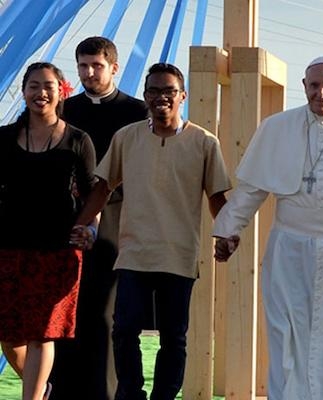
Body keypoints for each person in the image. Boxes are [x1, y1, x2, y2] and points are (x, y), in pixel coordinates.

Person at [212, 56, 323, 400]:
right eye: (314, 85)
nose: (320, 93)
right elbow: (251, 191)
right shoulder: (276, 128)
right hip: (289, 250)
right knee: (285, 332)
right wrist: (228, 230)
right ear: (304, 85)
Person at [71, 63, 231, 400]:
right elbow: (103, 187)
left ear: (182, 96)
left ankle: (164, 396)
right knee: (124, 329)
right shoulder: (126, 137)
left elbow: (217, 196)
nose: (162, 97)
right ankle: (131, 394)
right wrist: (82, 224)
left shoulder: (204, 142)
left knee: (174, 336)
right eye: (154, 91)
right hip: (134, 253)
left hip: (179, 254)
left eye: (169, 91)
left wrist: (228, 233)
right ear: (145, 97)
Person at [51, 36, 148, 400]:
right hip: (67, 218)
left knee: (105, 310)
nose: (89, 73)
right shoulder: (64, 110)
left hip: (116, 218)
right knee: (63, 306)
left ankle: (105, 392)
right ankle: (62, 391)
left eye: (97, 66)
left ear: (114, 68)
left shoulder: (137, 112)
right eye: (83, 66)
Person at [0, 62, 95, 400]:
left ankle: (33, 397)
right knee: (9, 336)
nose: (41, 92)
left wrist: (90, 229)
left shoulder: (78, 140)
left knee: (43, 333)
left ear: (61, 91)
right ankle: (42, 389)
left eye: (48, 86)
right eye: (33, 86)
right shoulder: (3, 138)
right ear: (24, 91)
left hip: (58, 250)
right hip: (9, 247)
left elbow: (92, 194)